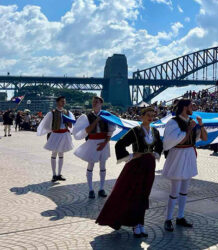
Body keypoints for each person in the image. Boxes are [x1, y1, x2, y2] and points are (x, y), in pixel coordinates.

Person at [96, 107, 163, 238]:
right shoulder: (135, 131)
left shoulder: (155, 131)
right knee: (134, 194)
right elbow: (120, 144)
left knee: (144, 194)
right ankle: (135, 224)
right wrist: (131, 155)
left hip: (149, 165)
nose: (150, 117)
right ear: (141, 117)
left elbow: (160, 145)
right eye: (148, 115)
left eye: (152, 115)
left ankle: (140, 223)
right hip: (136, 166)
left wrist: (156, 153)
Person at [162, 99, 208, 232]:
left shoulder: (191, 122)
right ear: (184, 107)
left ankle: (180, 216)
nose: (192, 108)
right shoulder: (173, 122)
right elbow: (171, 140)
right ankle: (168, 219)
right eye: (190, 106)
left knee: (184, 190)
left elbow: (204, 138)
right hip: (177, 155)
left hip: (188, 154)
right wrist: (189, 128)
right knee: (174, 190)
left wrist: (201, 125)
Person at [73, 96, 116, 199]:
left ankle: (101, 188)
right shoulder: (87, 116)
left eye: (97, 102)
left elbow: (110, 130)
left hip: (103, 142)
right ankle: (91, 189)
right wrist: (96, 121)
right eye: (93, 102)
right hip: (92, 141)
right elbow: (87, 131)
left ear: (101, 103)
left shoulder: (106, 115)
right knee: (90, 165)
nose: (94, 103)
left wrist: (105, 143)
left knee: (103, 165)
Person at [37, 96, 75, 182]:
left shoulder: (68, 112)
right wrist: (53, 129)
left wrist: (68, 122)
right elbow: (46, 125)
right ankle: (54, 174)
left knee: (61, 154)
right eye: (62, 101)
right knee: (54, 154)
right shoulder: (52, 113)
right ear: (57, 102)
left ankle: (59, 174)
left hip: (64, 134)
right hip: (56, 134)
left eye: (64, 101)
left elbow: (70, 126)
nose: (63, 103)